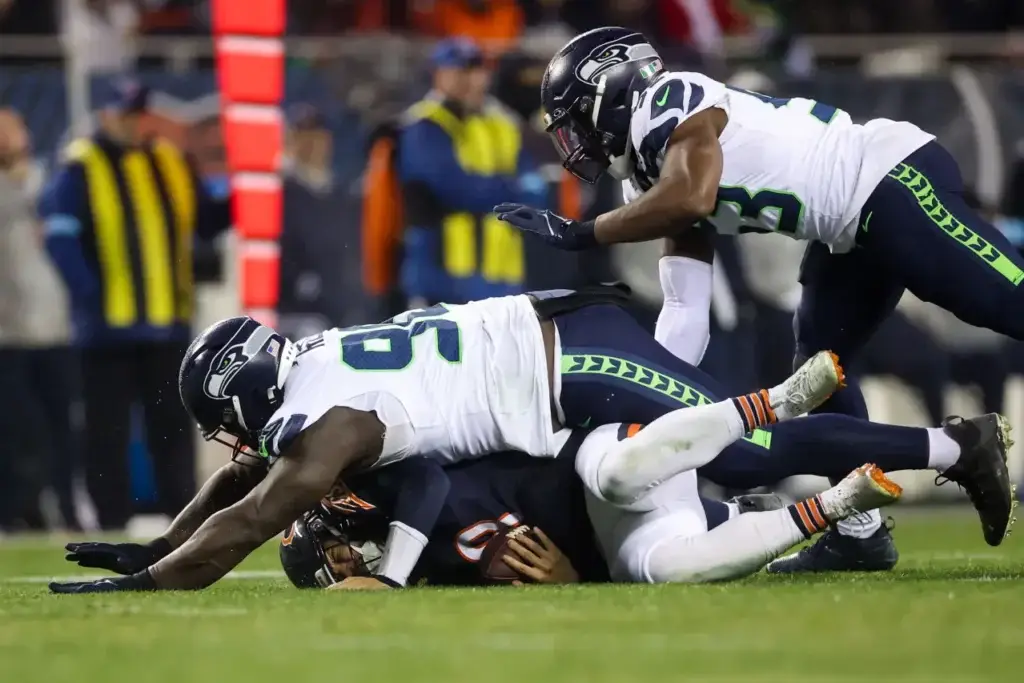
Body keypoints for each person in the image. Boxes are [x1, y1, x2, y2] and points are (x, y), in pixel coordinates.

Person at [50, 287, 1012, 593]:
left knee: (745, 452)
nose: (233, 441)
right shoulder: (318, 373)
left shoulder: (327, 425)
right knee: (714, 478)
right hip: (556, 372)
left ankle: (952, 444)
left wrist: (150, 582)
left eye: (225, 420)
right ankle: (852, 515)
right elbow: (246, 483)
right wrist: (154, 543)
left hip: (570, 366)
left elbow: (255, 514)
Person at [493, 27, 1024, 572]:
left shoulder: (670, 98)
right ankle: (859, 534)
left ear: (615, 89)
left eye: (578, 120)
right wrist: (649, 396)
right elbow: (685, 308)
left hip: (891, 180)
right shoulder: (650, 177)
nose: (575, 142)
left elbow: (692, 196)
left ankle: (951, 462)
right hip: (848, 229)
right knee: (820, 370)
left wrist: (584, 232)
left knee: (1010, 303)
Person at [41, 82, 231, 530]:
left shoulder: (169, 161)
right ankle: (110, 515)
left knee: (172, 423)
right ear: (104, 116)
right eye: (125, 113)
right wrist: (90, 296)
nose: (134, 121)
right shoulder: (81, 166)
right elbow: (60, 238)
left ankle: (182, 511)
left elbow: (205, 223)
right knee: (106, 428)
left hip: (166, 322)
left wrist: (249, 195)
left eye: (139, 112)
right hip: (107, 328)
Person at [0, 108, 78, 530]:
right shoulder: (20, 188)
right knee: (17, 431)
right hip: (8, 334)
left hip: (55, 329)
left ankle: (66, 508)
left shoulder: (48, 181)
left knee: (62, 429)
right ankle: (17, 512)